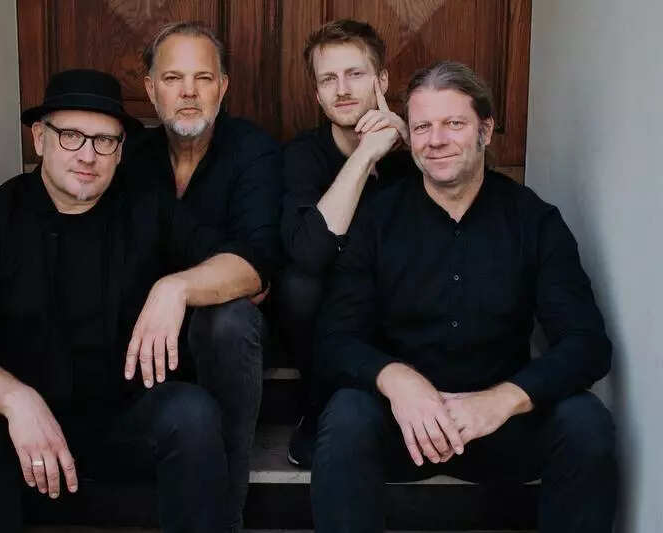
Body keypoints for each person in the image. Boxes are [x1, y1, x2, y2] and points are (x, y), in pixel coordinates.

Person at [0, 69, 266, 533]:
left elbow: (250, 268)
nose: (88, 155)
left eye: (105, 141)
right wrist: (17, 400)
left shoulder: (147, 209)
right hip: (23, 433)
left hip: (122, 421)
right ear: (40, 138)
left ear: (120, 152)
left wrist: (177, 287)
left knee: (191, 414)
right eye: (71, 136)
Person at [310, 61, 617, 532]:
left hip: (500, 425)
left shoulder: (534, 221)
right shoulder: (377, 219)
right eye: (422, 127)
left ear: (485, 131)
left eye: (453, 123)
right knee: (347, 416)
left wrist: (504, 399)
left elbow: (587, 344)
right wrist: (396, 380)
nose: (435, 140)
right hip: (406, 425)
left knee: (586, 422)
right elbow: (334, 339)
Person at [123, 21, 282, 531]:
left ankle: (225, 519)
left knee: (227, 320)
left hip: (227, 343)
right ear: (151, 89)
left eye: (203, 78)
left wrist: (175, 287)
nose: (188, 92)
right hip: (143, 342)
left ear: (223, 86)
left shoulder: (253, 150)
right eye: (173, 78)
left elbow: (256, 264)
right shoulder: (127, 156)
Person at [277, 19, 418, 466]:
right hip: (331, 312)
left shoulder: (417, 151)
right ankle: (319, 408)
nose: (342, 90)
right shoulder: (302, 155)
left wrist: (409, 141)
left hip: (402, 302)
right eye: (328, 79)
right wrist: (365, 153)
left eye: (355, 74)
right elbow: (309, 253)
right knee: (299, 285)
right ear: (317, 94)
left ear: (382, 81)